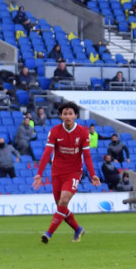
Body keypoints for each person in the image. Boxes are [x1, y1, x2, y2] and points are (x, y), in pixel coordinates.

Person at [32, 102, 99, 243]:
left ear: (75, 115)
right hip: (57, 172)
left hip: (74, 172)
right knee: (61, 206)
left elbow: (87, 156)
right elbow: (47, 153)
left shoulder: (83, 132)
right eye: (65, 114)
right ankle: (78, 229)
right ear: (61, 116)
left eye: (70, 114)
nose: (68, 116)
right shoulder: (55, 131)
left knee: (63, 201)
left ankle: (48, 233)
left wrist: (93, 174)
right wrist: (39, 173)